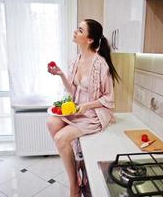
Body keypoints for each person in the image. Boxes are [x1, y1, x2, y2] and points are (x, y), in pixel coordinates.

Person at [46, 19, 120, 197]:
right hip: (79, 109)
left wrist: (87, 105)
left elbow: (109, 99)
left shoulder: (101, 64)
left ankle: (74, 186)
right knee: (51, 122)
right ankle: (77, 163)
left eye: (80, 30)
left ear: (89, 39)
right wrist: (61, 74)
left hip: (94, 114)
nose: (75, 32)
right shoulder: (76, 60)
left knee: (61, 138)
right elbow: (73, 90)